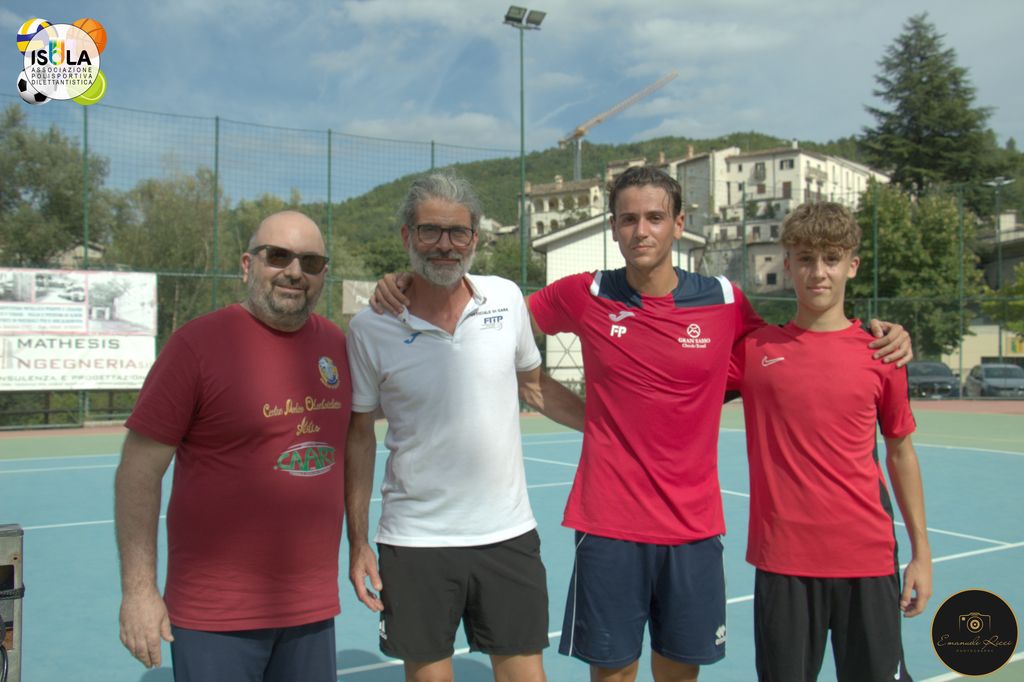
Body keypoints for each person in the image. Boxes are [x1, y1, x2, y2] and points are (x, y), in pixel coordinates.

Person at [372, 166, 911, 682]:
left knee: (679, 672)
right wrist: (410, 283)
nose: (641, 230)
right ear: (613, 227)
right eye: (628, 219)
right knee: (614, 672)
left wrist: (879, 335)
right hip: (609, 525)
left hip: (694, 528)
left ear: (679, 224)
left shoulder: (724, 300)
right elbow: (486, 318)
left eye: (655, 217)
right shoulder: (585, 293)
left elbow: (798, 345)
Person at [345, 172, 584, 682]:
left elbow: (534, 386)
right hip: (414, 542)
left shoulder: (505, 298)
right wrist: (358, 542)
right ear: (407, 236)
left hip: (508, 535)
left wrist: (609, 425)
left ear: (475, 238)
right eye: (430, 230)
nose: (445, 244)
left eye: (458, 232)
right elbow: (359, 436)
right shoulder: (370, 327)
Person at [115, 211, 350, 681]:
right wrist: (139, 591)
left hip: (310, 609)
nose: (294, 272)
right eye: (278, 256)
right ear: (247, 264)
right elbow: (138, 472)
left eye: (310, 262)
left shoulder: (336, 344)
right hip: (215, 616)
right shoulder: (195, 345)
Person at [727, 202, 931, 681]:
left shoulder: (882, 353)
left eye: (832, 258)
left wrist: (922, 554)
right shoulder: (754, 351)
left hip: (868, 559)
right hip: (784, 562)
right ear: (787, 264)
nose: (818, 272)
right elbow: (681, 380)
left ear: (852, 265)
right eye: (805, 258)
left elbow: (901, 453)